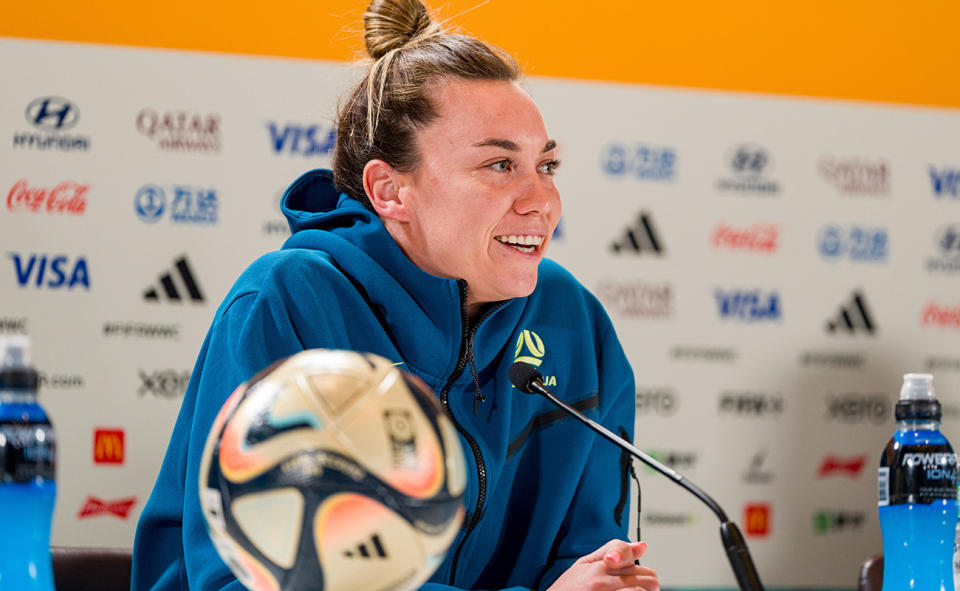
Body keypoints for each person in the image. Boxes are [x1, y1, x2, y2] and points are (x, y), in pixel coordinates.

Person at [132, 0, 659, 589]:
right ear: (389, 190)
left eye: (548, 165)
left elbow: (591, 555)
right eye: (499, 165)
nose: (542, 200)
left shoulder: (573, 321)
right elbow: (255, 580)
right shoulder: (290, 301)